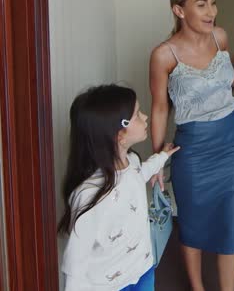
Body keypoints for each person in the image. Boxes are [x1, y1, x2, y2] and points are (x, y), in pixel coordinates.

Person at [149, 0, 234, 291]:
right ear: (179, 10)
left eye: (213, 3)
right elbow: (160, 108)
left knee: (231, 221)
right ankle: (198, 288)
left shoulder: (221, 38)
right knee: (192, 222)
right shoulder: (164, 54)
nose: (211, 12)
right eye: (201, 4)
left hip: (231, 142)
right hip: (191, 148)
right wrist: (157, 160)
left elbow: (230, 78)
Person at [58, 84, 179, 291]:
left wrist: (162, 157)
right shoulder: (89, 195)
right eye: (137, 115)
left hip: (142, 269)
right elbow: (75, 264)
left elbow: (140, 174)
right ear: (119, 135)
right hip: (109, 285)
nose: (145, 117)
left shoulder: (131, 162)